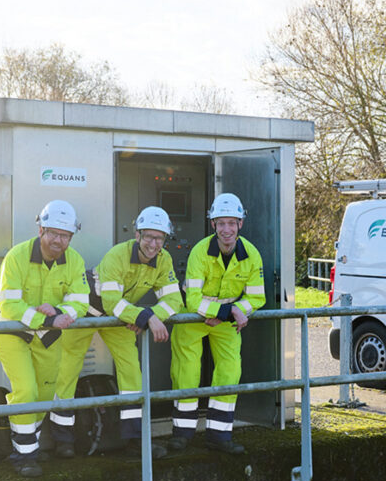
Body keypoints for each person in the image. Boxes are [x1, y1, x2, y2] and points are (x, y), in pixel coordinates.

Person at [56, 206, 184, 458]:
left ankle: (134, 440)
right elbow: (111, 302)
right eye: (148, 236)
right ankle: (63, 440)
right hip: (88, 312)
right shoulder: (118, 254)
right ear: (137, 235)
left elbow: (174, 301)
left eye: (159, 238)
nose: (153, 243)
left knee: (131, 374)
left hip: (121, 318)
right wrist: (144, 316)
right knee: (67, 370)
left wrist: (147, 317)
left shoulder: (164, 259)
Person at [0, 200, 88, 477]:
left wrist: (59, 312)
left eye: (66, 235)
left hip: (49, 336)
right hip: (13, 332)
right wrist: (46, 319)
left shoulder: (75, 261)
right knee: (26, 391)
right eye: (54, 233)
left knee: (45, 395)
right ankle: (24, 456)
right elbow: (9, 306)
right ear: (41, 229)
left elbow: (80, 301)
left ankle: (25, 443)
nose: (59, 240)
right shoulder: (17, 256)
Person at [169, 193, 265, 454]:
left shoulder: (251, 254)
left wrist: (237, 310)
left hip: (226, 321)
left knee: (229, 372)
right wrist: (223, 311)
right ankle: (182, 434)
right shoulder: (200, 252)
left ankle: (219, 435)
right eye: (220, 223)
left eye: (231, 223)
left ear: (240, 224)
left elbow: (257, 297)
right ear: (212, 225)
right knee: (186, 373)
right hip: (193, 318)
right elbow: (193, 299)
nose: (226, 229)